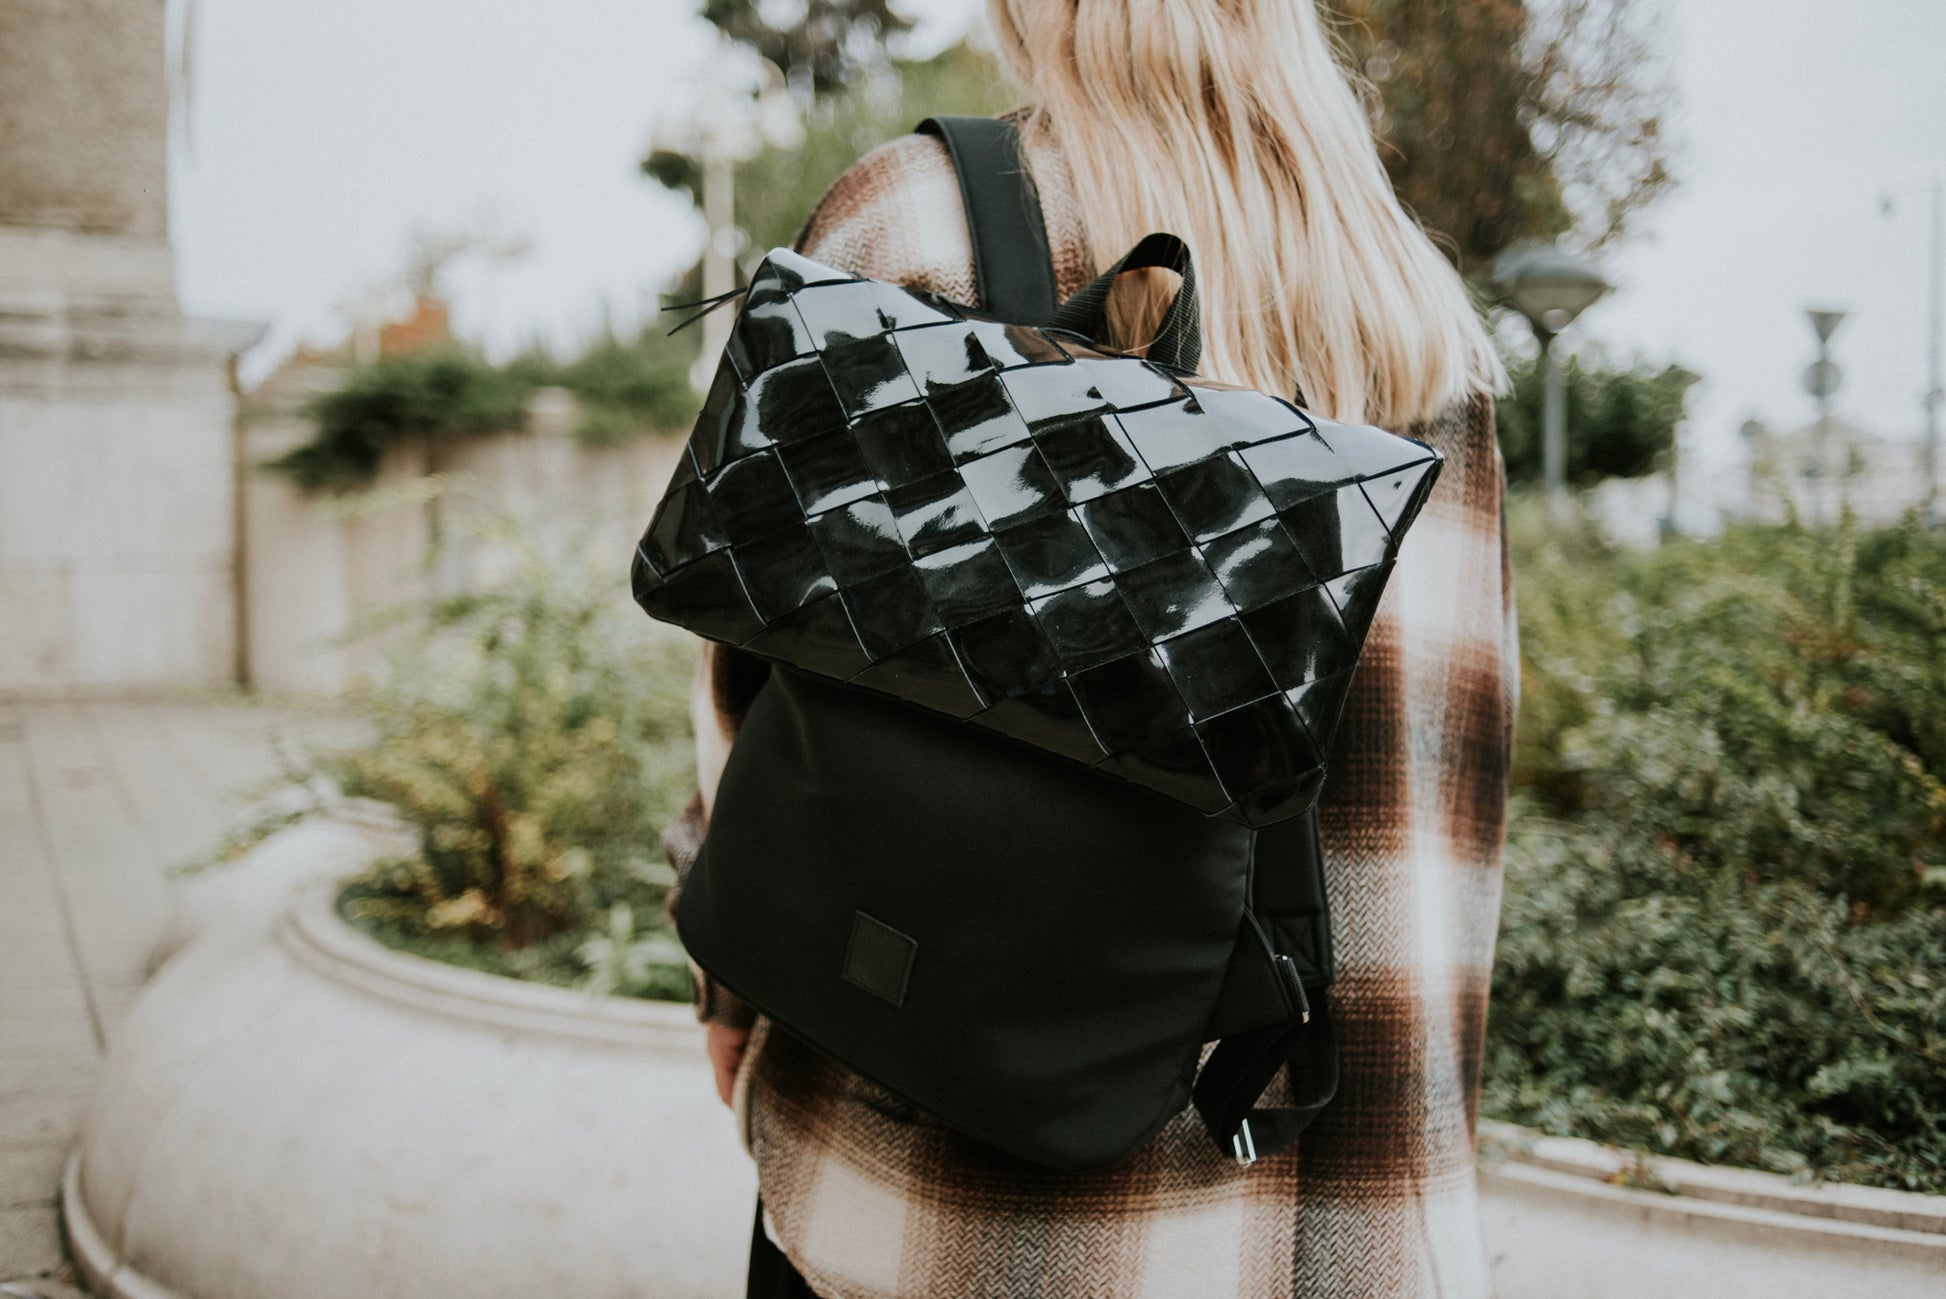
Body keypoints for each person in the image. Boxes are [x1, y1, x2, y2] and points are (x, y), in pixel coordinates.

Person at [660, 1, 1519, 1295]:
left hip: (952, 1219)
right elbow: (1446, 799)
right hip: (1343, 1216)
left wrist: (730, 989)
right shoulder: (1410, 302)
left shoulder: (914, 225)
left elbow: (752, 706)